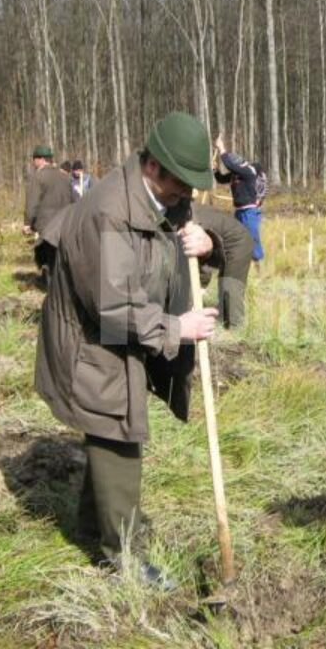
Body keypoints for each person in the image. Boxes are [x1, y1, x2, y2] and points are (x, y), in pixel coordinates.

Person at [34, 111, 252, 588]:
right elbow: (115, 308)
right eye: (181, 184)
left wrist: (205, 243)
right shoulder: (109, 211)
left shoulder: (158, 195)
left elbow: (217, 236)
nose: (187, 195)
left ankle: (91, 528)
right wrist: (178, 327)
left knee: (109, 432)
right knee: (117, 430)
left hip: (120, 336)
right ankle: (126, 560)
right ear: (154, 166)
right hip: (92, 345)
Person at [213, 133, 265, 263]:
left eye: (233, 166)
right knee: (237, 236)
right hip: (239, 211)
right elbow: (221, 179)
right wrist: (215, 170)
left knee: (252, 236)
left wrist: (221, 148)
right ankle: (242, 260)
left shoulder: (248, 171)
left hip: (249, 211)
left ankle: (258, 261)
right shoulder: (234, 174)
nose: (232, 170)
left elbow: (229, 165)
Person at [23, 145, 73, 238]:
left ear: (41, 159)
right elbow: (72, 201)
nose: (33, 162)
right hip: (65, 224)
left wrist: (27, 224)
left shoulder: (37, 177)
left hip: (46, 226)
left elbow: (32, 203)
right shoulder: (66, 178)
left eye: (34, 158)